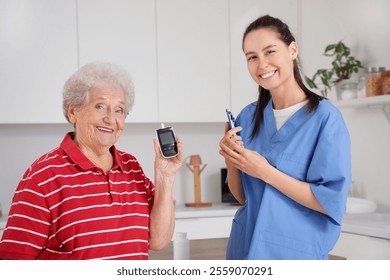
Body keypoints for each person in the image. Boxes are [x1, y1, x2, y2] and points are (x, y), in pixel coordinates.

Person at [0, 62, 183, 260]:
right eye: (100, 106)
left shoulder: (132, 168)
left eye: (119, 110)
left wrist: (165, 177)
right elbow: (13, 262)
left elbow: (158, 240)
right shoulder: (43, 176)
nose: (111, 119)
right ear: (73, 112)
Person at [219, 15, 351, 260]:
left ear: (292, 50)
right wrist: (232, 161)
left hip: (294, 254)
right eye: (252, 57)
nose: (262, 65)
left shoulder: (326, 119)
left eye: (270, 51)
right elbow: (243, 197)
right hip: (246, 249)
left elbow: (329, 202)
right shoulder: (247, 118)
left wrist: (265, 171)